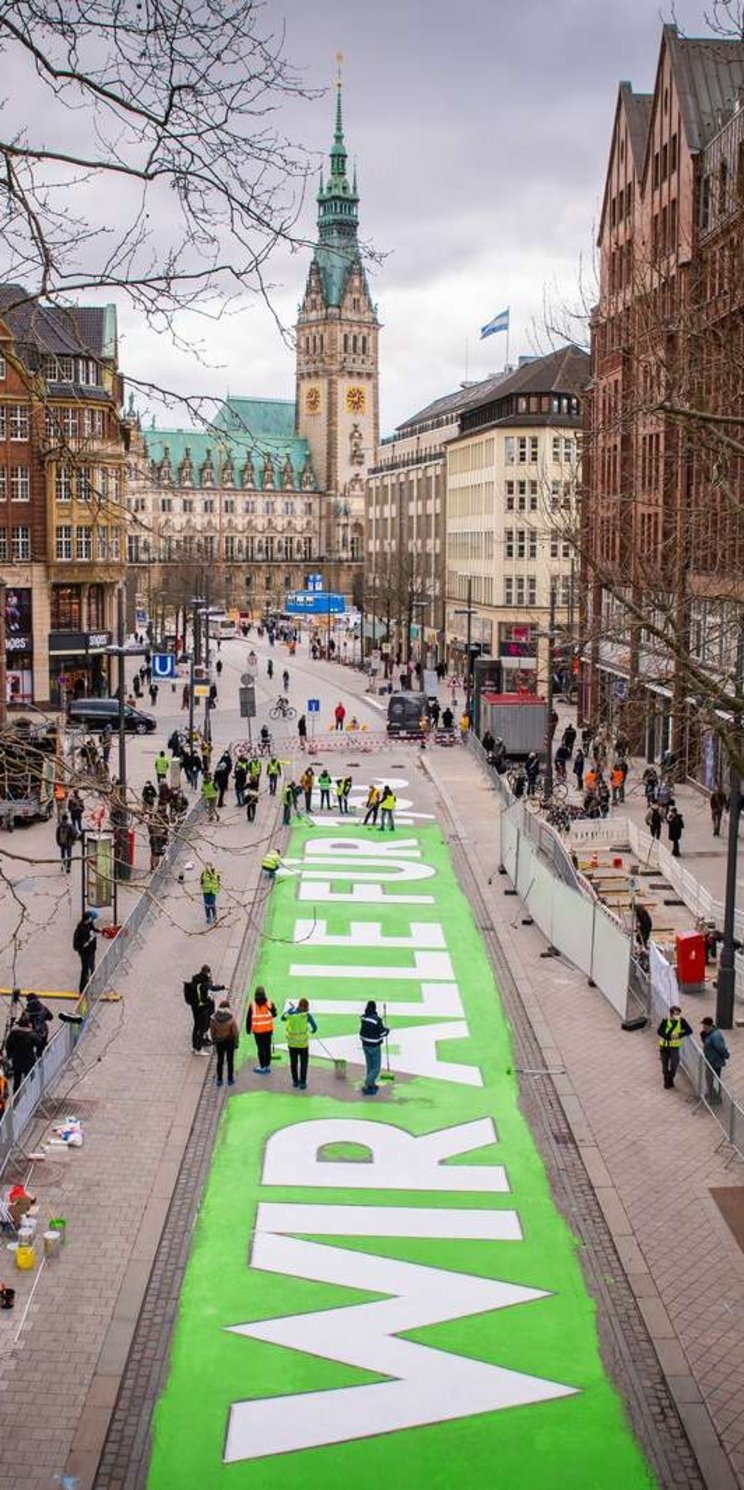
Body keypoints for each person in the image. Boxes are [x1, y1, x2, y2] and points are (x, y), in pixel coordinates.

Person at [187, 965, 225, 1054]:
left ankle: (195, 1045)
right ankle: (199, 1048)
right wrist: (221, 987)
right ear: (207, 973)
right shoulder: (204, 983)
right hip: (203, 1008)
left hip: (195, 1007)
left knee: (197, 1026)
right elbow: (211, 988)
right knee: (202, 1027)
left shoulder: (196, 980)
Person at [282, 997, 318, 1089]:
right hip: (303, 1044)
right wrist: (312, 1031)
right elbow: (314, 1027)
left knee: (293, 1063)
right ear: (306, 1007)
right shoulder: (307, 1015)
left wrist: (289, 1011)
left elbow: (282, 1018)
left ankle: (295, 1082)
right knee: (303, 1064)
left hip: (292, 1044)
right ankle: (303, 1082)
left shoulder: (291, 1014)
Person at [5, 1014, 43, 1095]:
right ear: (29, 1024)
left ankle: (16, 1098)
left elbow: (8, 1045)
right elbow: (40, 1044)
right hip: (29, 1061)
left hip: (17, 1060)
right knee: (31, 1078)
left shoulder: (13, 1033)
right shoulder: (32, 1035)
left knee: (17, 1080)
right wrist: (39, 1055)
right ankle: (32, 1095)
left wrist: (10, 1055)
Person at [657, 1005, 693, 1089]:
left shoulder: (681, 1021)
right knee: (664, 1066)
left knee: (675, 1063)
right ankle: (666, 1079)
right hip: (664, 1047)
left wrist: (679, 1035)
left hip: (674, 1047)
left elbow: (689, 1030)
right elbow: (659, 1031)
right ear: (671, 1014)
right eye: (676, 1014)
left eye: (679, 1014)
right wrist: (668, 1036)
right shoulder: (665, 1020)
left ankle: (671, 1077)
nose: (678, 1016)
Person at [359, 999, 389, 1095]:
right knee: (376, 1067)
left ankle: (371, 1085)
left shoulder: (364, 1018)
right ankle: (368, 1082)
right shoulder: (377, 1020)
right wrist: (387, 1030)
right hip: (374, 1046)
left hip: (365, 1045)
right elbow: (383, 1032)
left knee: (369, 1065)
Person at [246, 986, 277, 1074]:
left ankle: (262, 1066)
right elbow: (274, 1014)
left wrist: (248, 1030)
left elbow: (249, 1019)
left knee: (260, 1049)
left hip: (258, 1031)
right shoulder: (270, 1003)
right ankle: (267, 1065)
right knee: (267, 1048)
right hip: (268, 1030)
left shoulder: (252, 1005)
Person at [700, 1016, 730, 1105]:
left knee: (714, 1080)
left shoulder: (715, 1035)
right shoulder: (710, 1033)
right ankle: (711, 1094)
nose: (703, 1027)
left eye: (704, 1025)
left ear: (708, 1025)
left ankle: (716, 1098)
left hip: (715, 1062)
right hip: (711, 1061)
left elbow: (720, 1047)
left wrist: (726, 1055)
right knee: (709, 1079)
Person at [210, 998, 239, 1086]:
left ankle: (219, 1079)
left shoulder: (214, 1019)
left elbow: (212, 1032)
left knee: (220, 1060)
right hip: (229, 1041)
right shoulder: (231, 1018)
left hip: (219, 1041)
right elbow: (235, 1032)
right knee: (230, 1060)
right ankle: (230, 1079)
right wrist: (236, 1043)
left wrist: (214, 1039)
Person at [73, 910, 99, 993]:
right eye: (89, 919)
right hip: (85, 953)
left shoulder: (89, 924)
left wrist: (98, 931)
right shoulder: (80, 929)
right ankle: (83, 988)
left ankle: (92, 980)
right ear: (86, 919)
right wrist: (86, 943)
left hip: (91, 950)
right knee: (85, 969)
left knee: (92, 965)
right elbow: (76, 944)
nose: (90, 920)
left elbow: (93, 929)